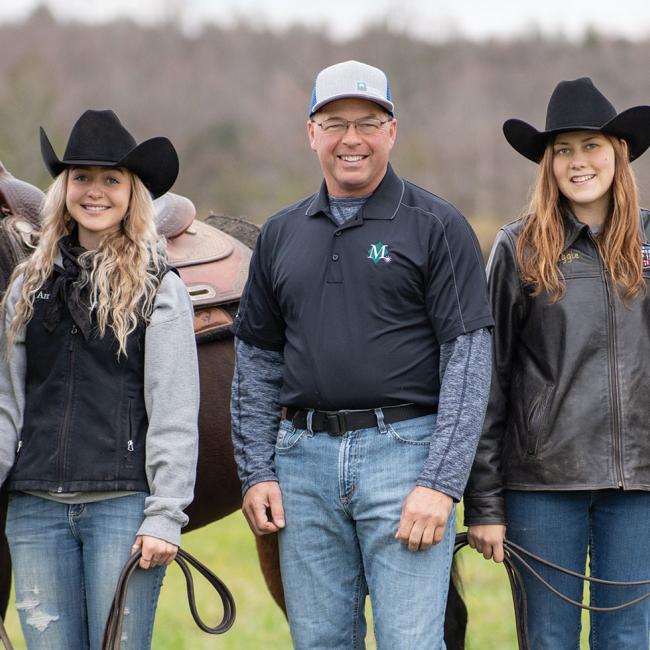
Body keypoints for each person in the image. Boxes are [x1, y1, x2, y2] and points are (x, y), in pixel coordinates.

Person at [231, 60, 493, 649]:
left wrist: (441, 483)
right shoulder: (280, 233)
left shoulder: (437, 226)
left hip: (404, 459)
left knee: (409, 641)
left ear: (392, 131)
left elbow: (469, 362)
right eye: (335, 122)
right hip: (302, 461)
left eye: (368, 122)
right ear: (311, 133)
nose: (352, 139)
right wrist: (257, 471)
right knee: (320, 641)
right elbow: (255, 363)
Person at [0, 109, 199, 649]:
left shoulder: (159, 288)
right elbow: (7, 404)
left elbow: (175, 411)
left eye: (111, 179)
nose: (95, 192)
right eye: (81, 177)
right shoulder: (29, 284)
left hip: (122, 508)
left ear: (132, 193)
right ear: (63, 188)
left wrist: (164, 517)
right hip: (35, 509)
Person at [464, 77, 650, 649]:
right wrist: (485, 502)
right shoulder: (518, 247)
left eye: (591, 146)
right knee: (548, 640)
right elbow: (488, 379)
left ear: (618, 155)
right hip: (543, 486)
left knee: (630, 639)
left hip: (640, 484)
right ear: (547, 164)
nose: (578, 162)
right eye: (562, 150)